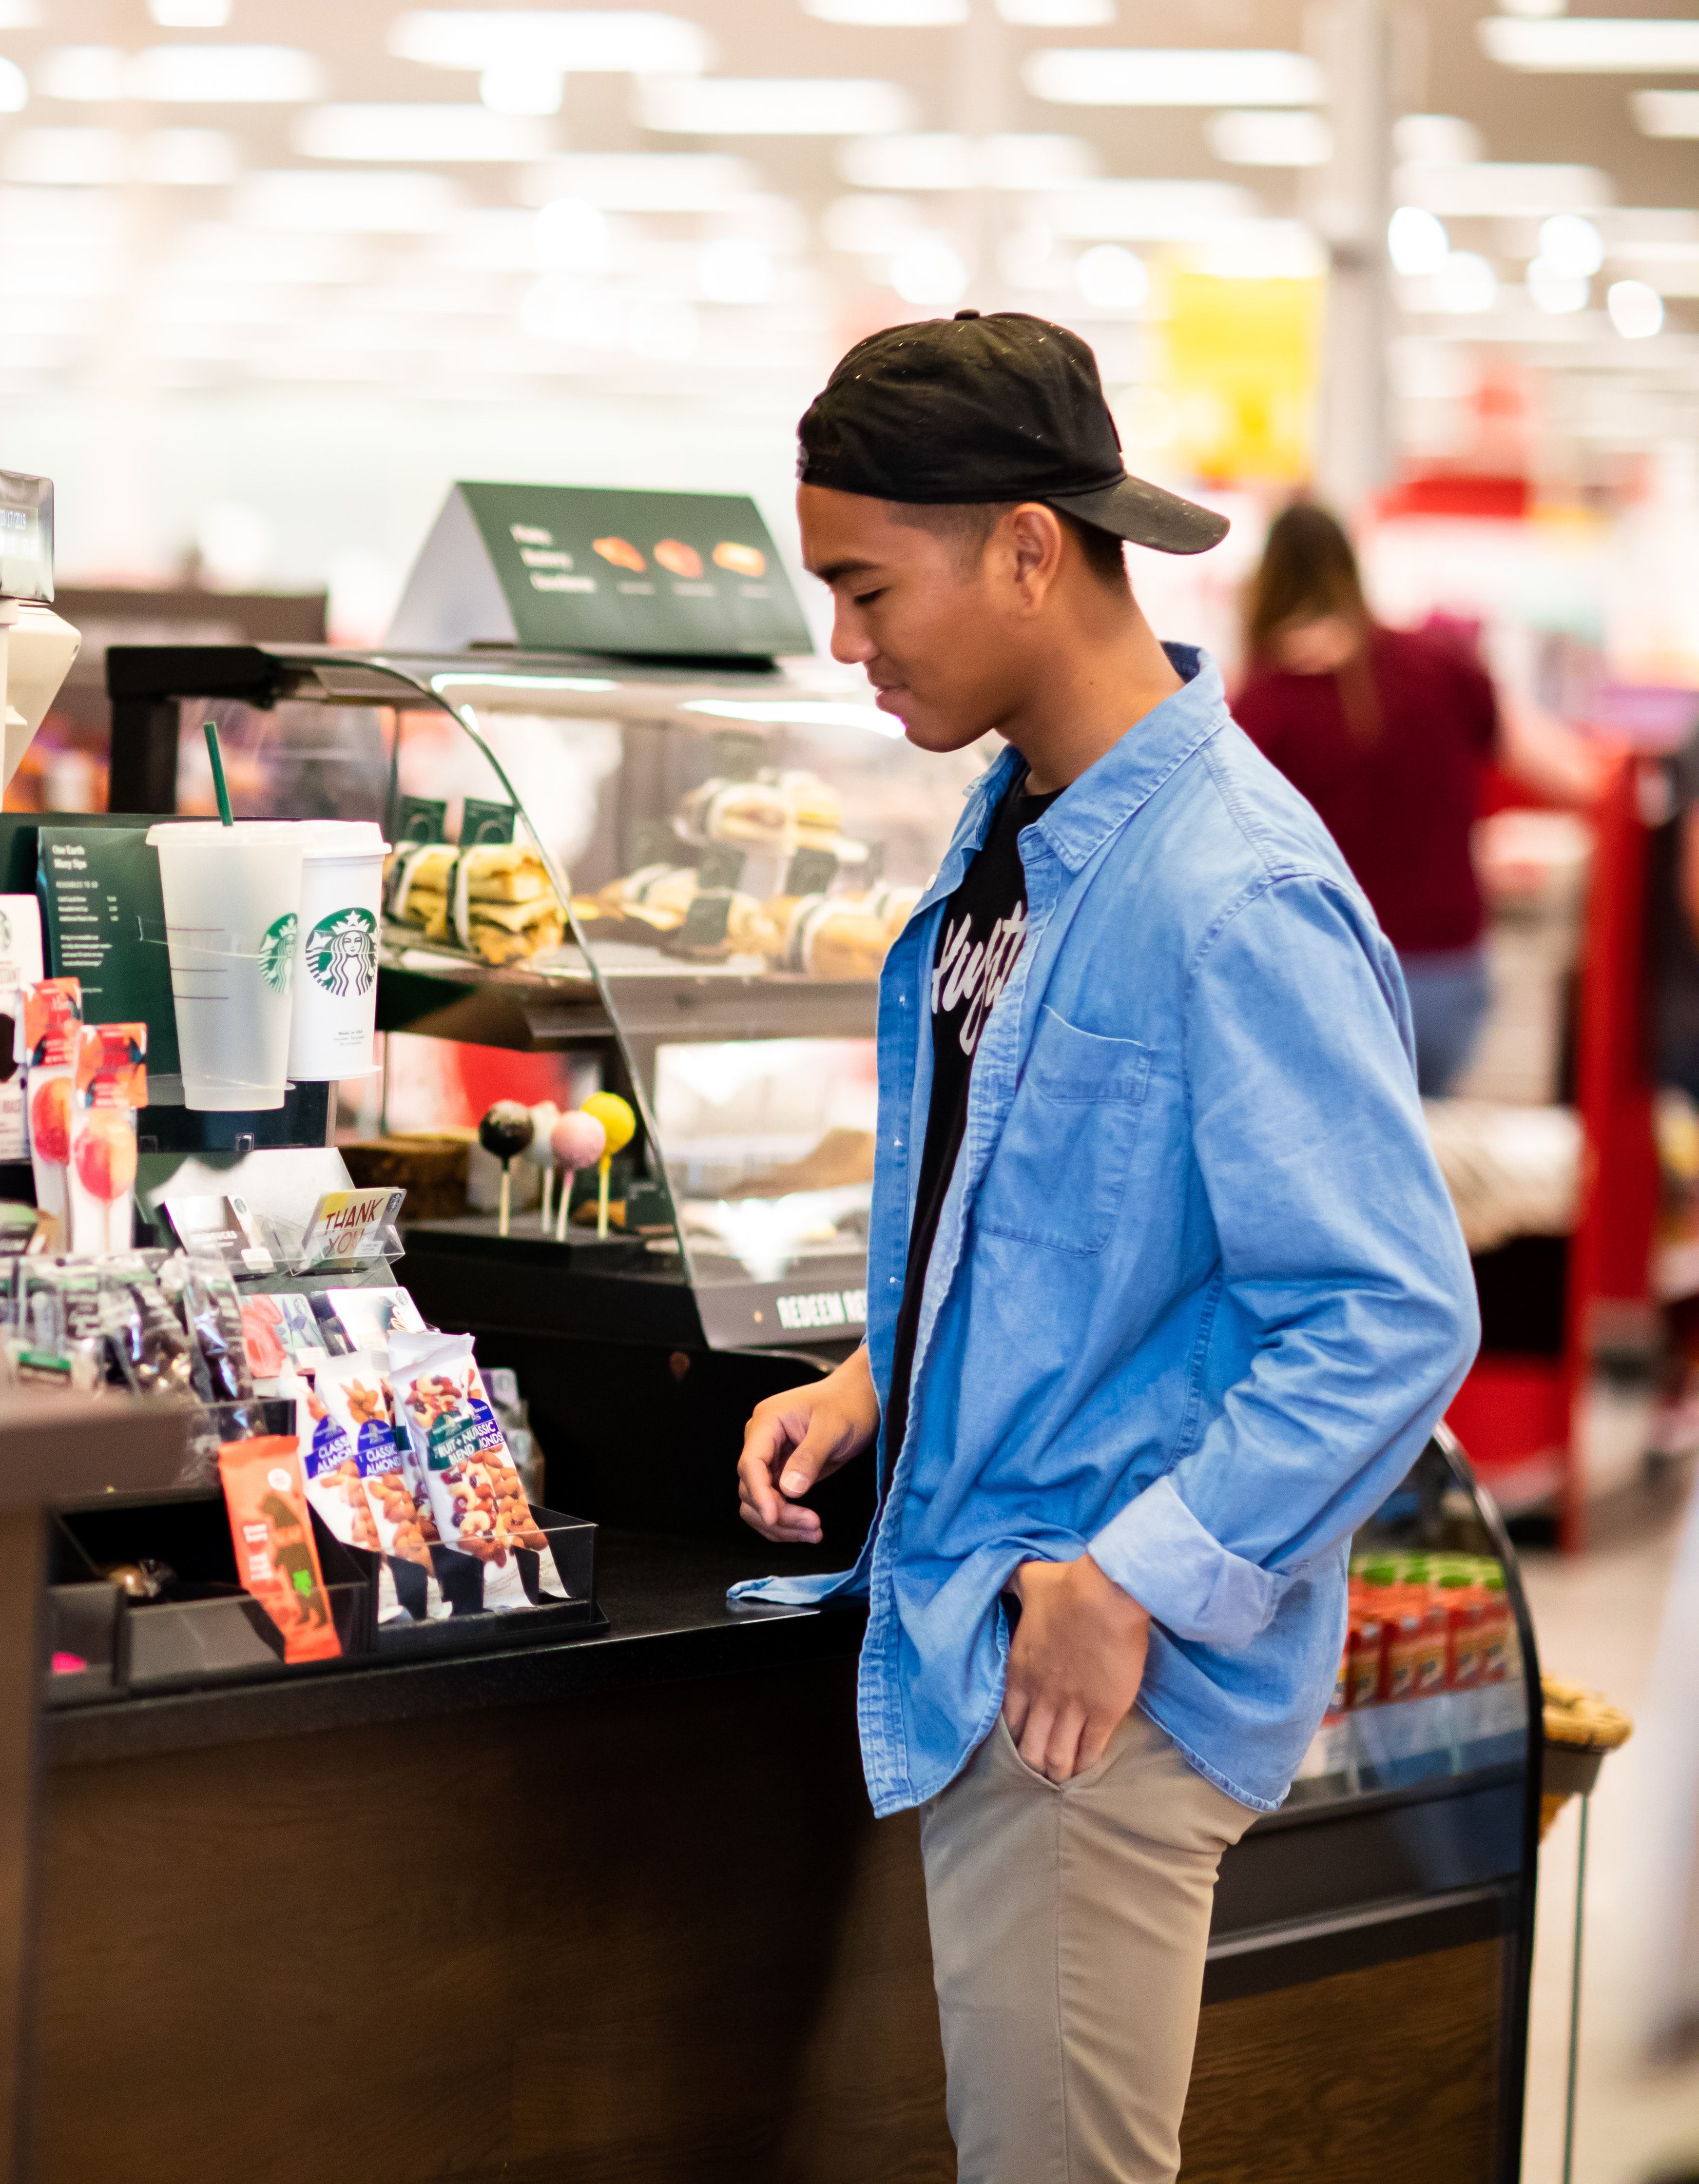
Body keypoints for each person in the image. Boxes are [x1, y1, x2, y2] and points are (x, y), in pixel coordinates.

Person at [731, 312, 1480, 2184]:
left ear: (1021, 549)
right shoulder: (1022, 826)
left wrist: (1126, 1575)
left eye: (860, 584)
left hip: (1086, 1695)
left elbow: (1387, 1312)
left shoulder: (1222, 886)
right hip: (983, 1620)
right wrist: (873, 1373)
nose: (843, 642)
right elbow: (1059, 1214)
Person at [1228, 502, 1505, 1095]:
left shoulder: (1265, 706)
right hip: (1453, 973)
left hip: (1335, 978)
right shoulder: (1442, 664)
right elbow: (1509, 748)